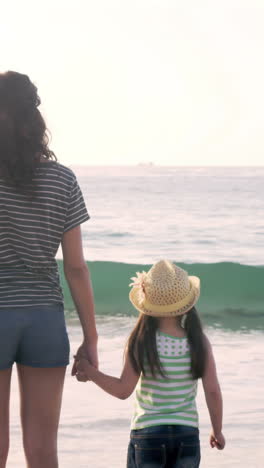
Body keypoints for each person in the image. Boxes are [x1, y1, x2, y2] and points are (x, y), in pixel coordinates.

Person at [0, 71, 98, 468]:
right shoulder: (62, 179)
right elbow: (76, 268)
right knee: (42, 451)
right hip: (44, 318)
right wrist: (90, 338)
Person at [76, 259, 225, 467]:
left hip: (148, 435)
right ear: (186, 305)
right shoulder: (198, 341)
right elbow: (213, 391)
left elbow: (122, 390)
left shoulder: (141, 341)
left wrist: (90, 371)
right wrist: (217, 430)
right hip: (187, 434)